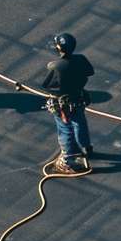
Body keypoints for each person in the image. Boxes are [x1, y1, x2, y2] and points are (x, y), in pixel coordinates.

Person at [40, 32, 93, 174]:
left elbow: (47, 86)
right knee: (80, 123)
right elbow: (89, 72)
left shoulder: (56, 66)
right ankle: (86, 147)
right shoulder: (81, 59)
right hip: (79, 99)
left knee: (65, 129)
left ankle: (68, 159)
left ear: (59, 48)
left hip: (63, 104)